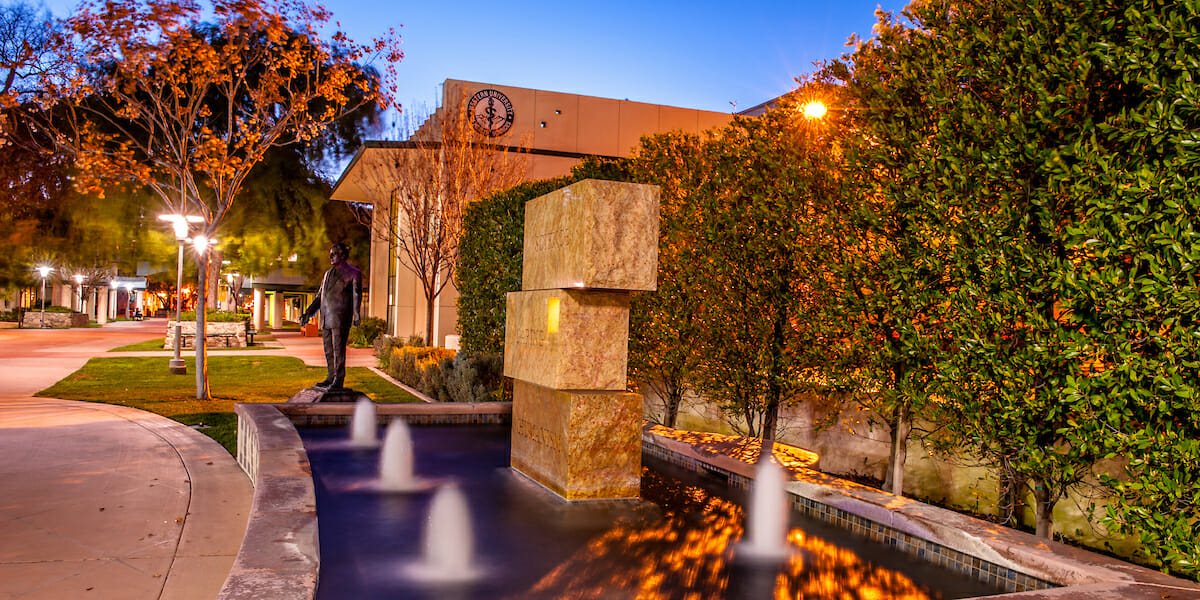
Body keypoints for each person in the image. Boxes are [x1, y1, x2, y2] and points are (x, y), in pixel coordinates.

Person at [300, 243, 362, 389]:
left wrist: (357, 313)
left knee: (338, 349)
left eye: (333, 254)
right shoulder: (327, 274)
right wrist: (308, 313)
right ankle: (330, 376)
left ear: (342, 255)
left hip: (341, 317)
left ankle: (338, 379)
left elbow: (356, 294)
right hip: (326, 318)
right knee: (328, 349)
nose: (331, 257)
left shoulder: (353, 273)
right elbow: (320, 296)